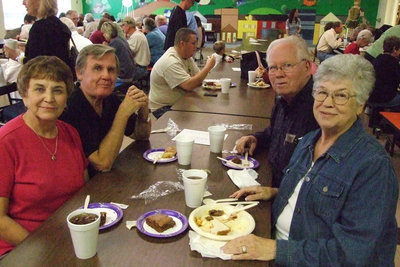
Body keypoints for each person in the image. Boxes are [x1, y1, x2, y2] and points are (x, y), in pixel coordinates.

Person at [222, 54, 398, 265]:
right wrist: (276, 192)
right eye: (322, 92)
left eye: (341, 96)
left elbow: (353, 253)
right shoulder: (309, 141)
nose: (327, 103)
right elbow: (320, 194)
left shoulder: (373, 166)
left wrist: (274, 249)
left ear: (361, 105)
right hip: (273, 241)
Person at [0, 56, 88, 257]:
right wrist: (46, 251)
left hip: (67, 238)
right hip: (22, 247)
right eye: (39, 89)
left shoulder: (70, 133)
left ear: (66, 97)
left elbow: (83, 192)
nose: (49, 98)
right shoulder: (6, 142)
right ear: (24, 95)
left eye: (57, 90)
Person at [235, 36, 318, 187]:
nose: (278, 74)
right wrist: (256, 138)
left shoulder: (320, 108)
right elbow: (276, 133)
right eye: (273, 67)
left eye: (287, 65)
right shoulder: (283, 98)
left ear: (307, 67)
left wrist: (276, 193)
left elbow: (319, 180)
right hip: (269, 179)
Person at [60, 44, 151, 177]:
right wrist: (123, 113)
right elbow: (102, 164)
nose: (106, 76)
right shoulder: (71, 107)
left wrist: (144, 111)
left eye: (111, 70)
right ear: (79, 73)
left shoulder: (109, 99)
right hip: (81, 189)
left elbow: (141, 135)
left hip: (105, 181)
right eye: (98, 68)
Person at [149, 28, 215, 119]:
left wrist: (201, 75)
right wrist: (208, 67)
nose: (195, 46)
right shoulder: (170, 61)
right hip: (164, 108)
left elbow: (198, 79)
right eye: (193, 43)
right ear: (182, 44)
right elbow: (188, 85)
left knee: (206, 113)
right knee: (200, 119)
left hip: (180, 102)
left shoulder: (186, 57)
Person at [5, 0, 71, 69]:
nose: (23, 3)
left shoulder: (40, 28)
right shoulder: (58, 24)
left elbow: (35, 65)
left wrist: (16, 56)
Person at [101, 21, 136, 90]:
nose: (103, 35)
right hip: (131, 73)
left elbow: (106, 59)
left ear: (108, 33)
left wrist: (105, 48)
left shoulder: (114, 43)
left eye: (104, 33)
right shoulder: (120, 40)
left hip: (123, 76)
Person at [368, 36, 400, 107]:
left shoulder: (378, 58)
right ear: (395, 49)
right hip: (384, 98)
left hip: (370, 96)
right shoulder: (394, 63)